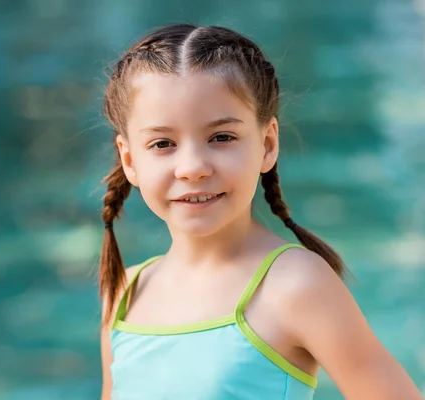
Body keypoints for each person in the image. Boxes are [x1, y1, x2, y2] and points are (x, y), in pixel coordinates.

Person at [97, 23, 422, 399]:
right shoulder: (125, 291)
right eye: (163, 143)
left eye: (221, 138)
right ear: (129, 159)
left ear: (267, 144)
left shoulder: (296, 284)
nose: (193, 167)